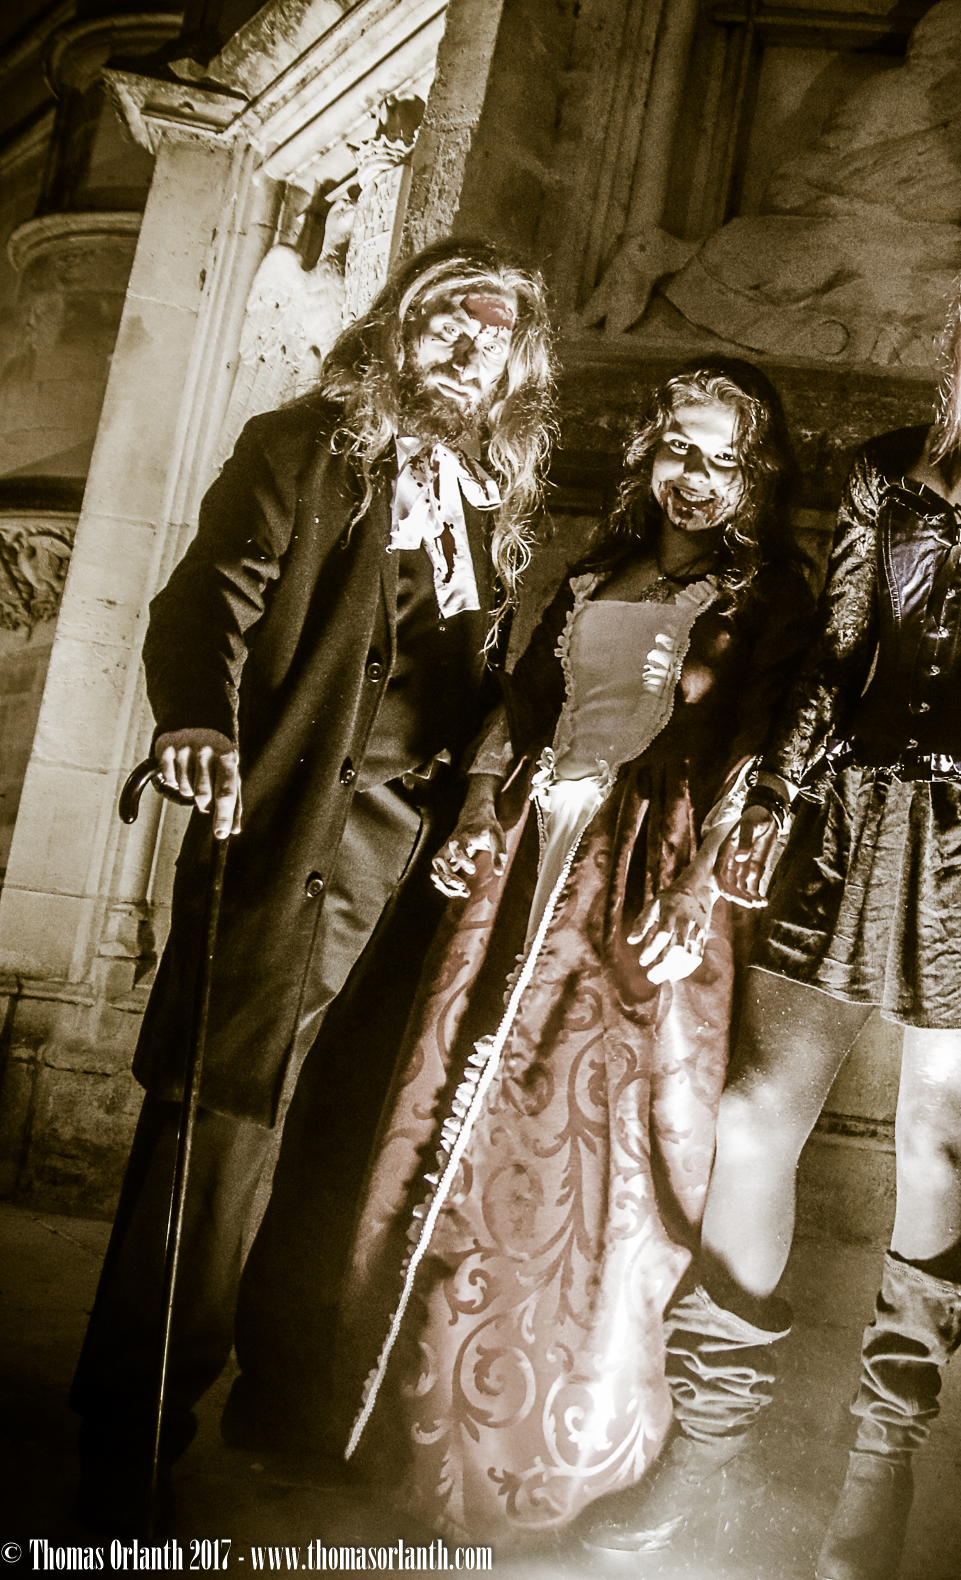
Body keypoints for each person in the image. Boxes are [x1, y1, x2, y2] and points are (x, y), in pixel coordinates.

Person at [584, 216, 961, 1579]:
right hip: (845, 821)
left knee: (936, 1145)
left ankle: (879, 1465)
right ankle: (705, 1452)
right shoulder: (885, 471)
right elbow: (836, 661)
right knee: (750, 1114)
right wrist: (775, 799)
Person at [70, 237, 556, 1533]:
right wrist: (199, 719)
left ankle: (282, 1400)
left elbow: (478, 686)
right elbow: (202, 603)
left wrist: (486, 800)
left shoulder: (493, 507)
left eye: (495, 331)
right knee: (215, 1138)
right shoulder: (300, 449)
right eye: (448, 315)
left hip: (411, 875)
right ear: (399, 326)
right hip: (291, 845)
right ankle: (129, 1432)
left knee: (344, 1138)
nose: (468, 342)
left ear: (516, 368)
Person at [336, 360, 816, 1545]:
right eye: (679, 449)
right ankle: (417, 1420)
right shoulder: (599, 568)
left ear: (754, 476)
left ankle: (554, 1458)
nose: (695, 477)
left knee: (597, 1141)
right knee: (472, 1111)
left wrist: (698, 890)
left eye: (723, 460)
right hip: (531, 850)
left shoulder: (771, 593)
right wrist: (478, 810)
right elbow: (523, 705)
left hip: (653, 864)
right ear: (649, 455)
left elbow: (764, 748)